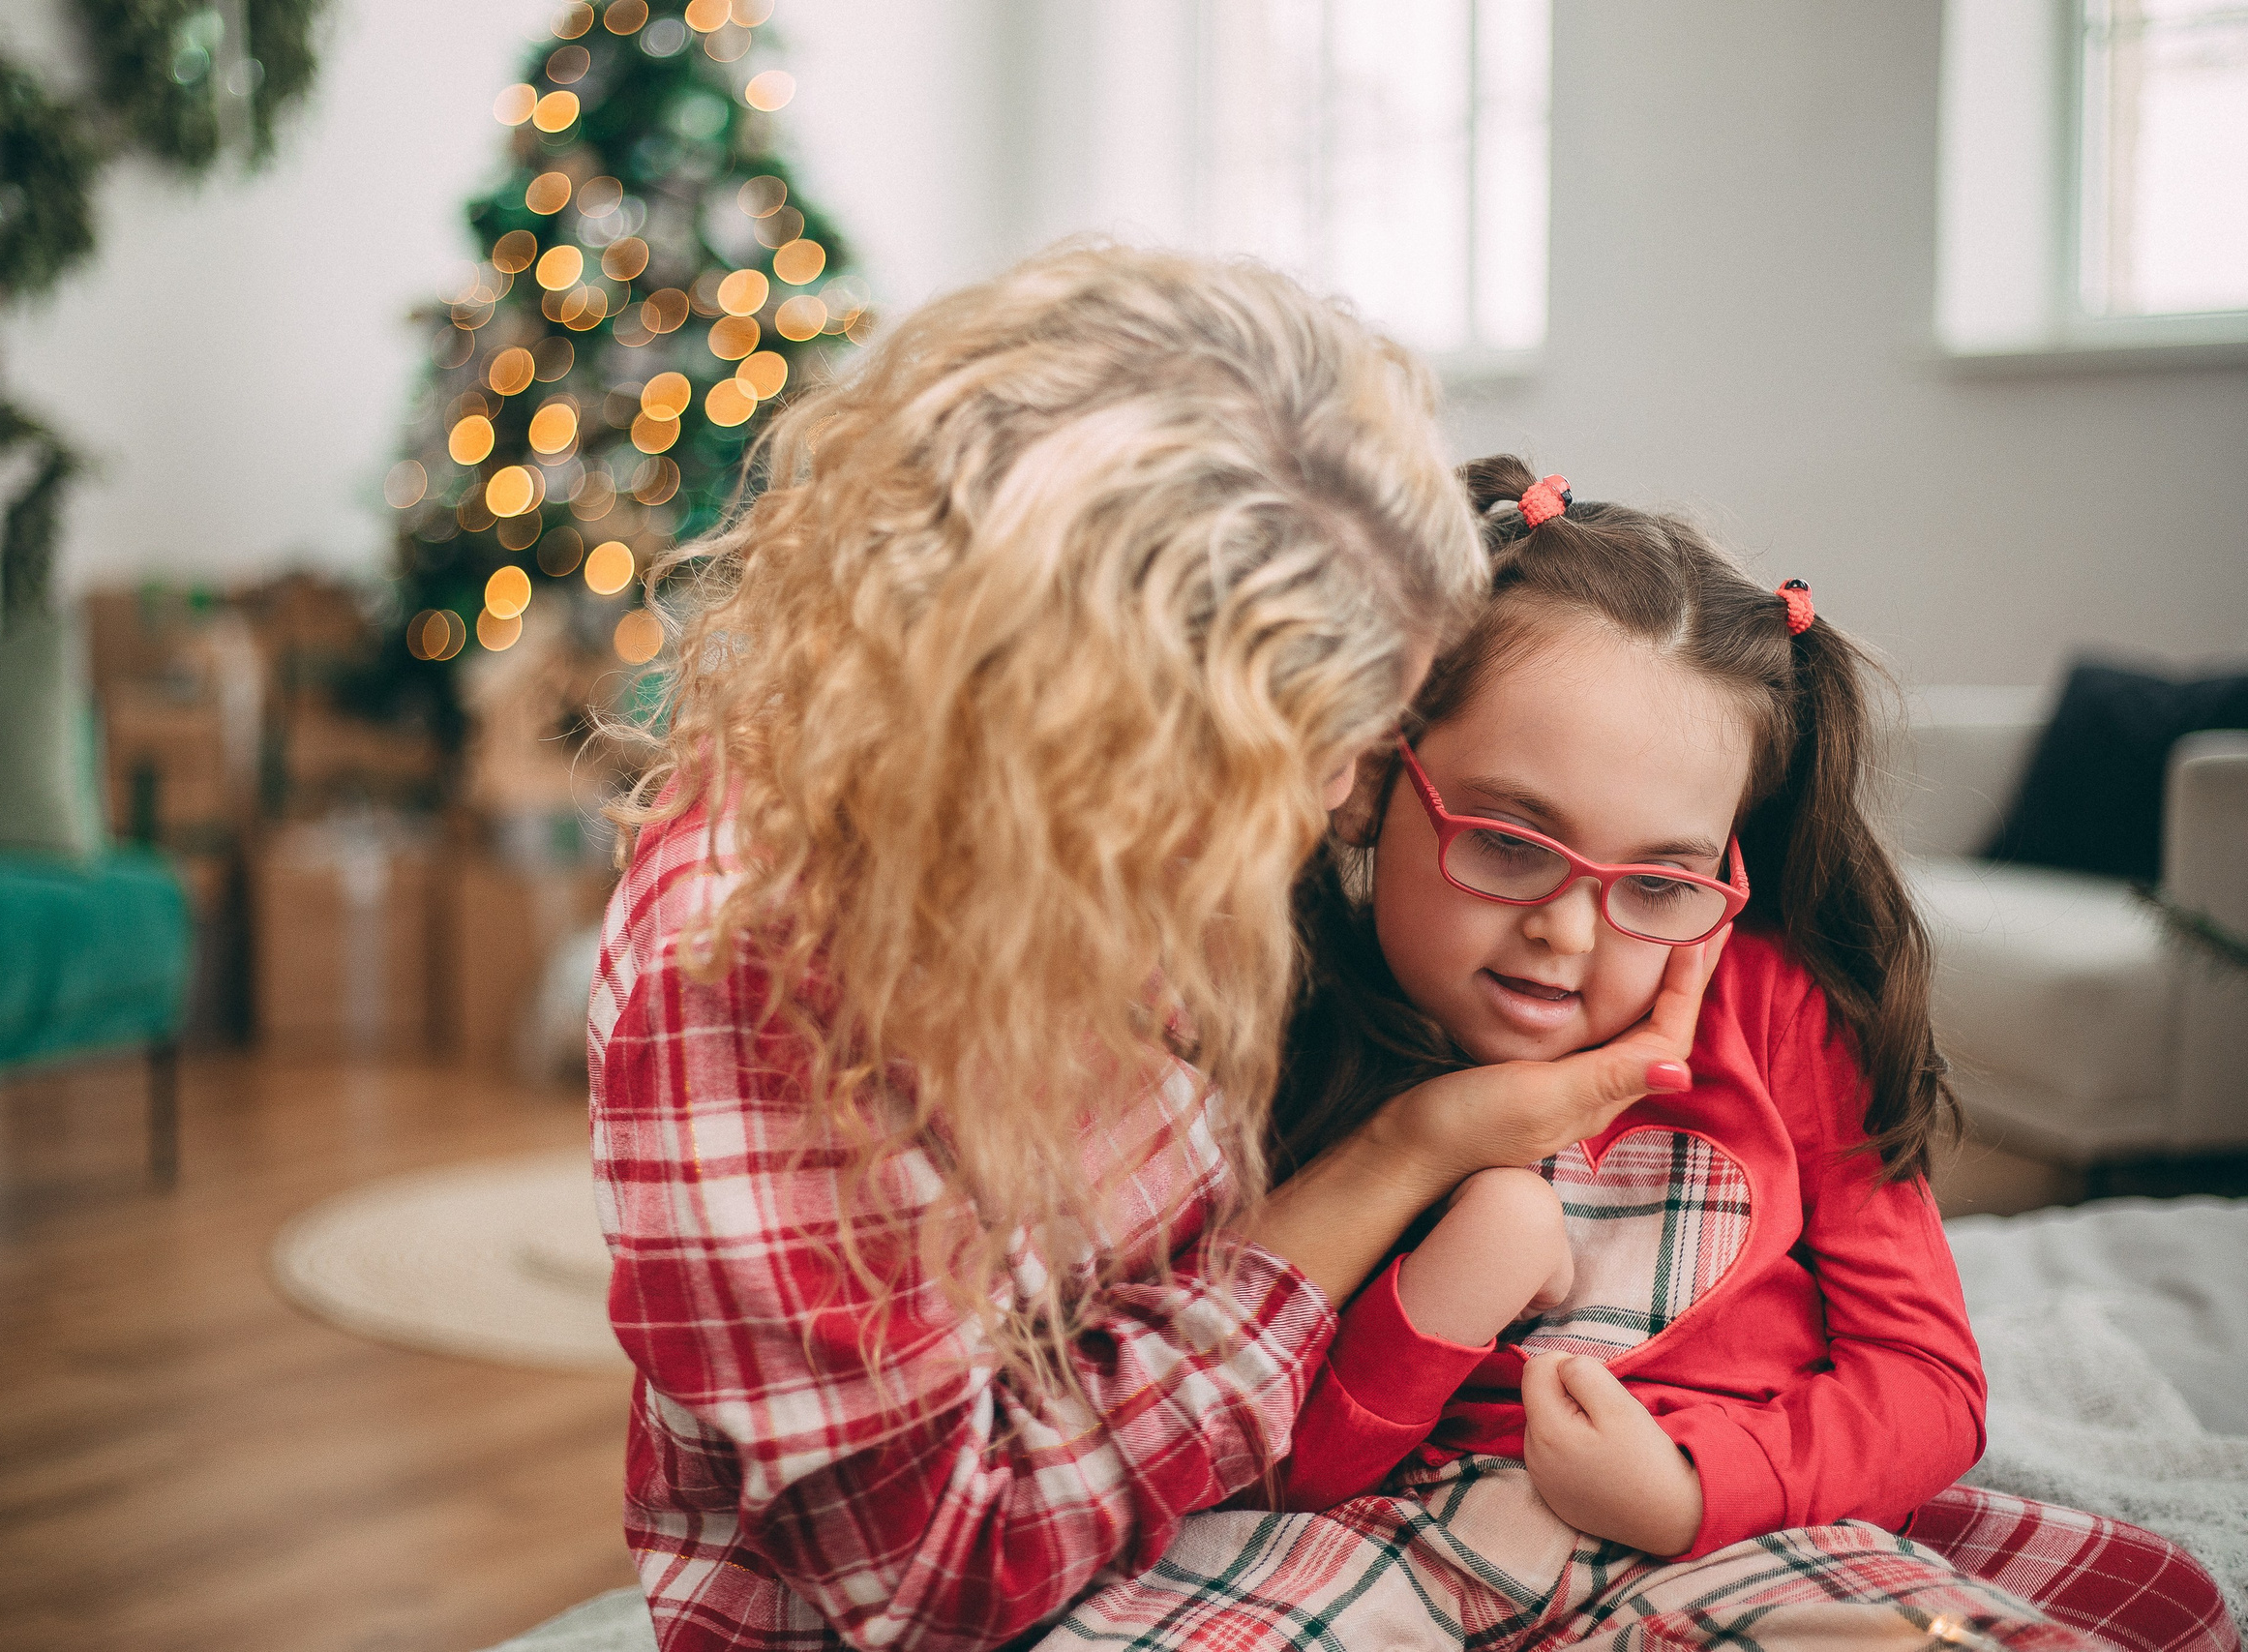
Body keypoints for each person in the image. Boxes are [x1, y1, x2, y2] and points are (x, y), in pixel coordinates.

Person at [585, 251, 1722, 1652]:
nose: (1342, 808)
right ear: (1080, 716)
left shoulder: (1142, 842)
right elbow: (941, 1569)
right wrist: (1404, 1154)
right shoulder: (752, 965)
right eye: (1304, 749)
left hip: (1211, 1508)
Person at [1040, 459, 2238, 1651]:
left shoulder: (1774, 1006)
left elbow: (1925, 1382)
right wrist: (1444, 1277)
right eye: (1510, 842)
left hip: (1737, 1525)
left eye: (1661, 882)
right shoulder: (1275, 1021)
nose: (1566, 930)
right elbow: (1241, 1451)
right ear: (1371, 778)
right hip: (1389, 1533)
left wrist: (1687, 1483)